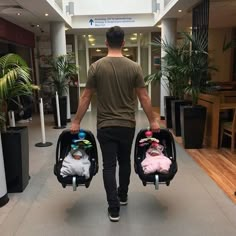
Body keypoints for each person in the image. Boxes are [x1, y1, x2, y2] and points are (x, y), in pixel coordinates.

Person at [70, 26, 160, 222]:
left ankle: (113, 208)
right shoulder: (134, 67)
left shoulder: (96, 67)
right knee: (125, 161)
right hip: (127, 124)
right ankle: (123, 195)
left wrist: (76, 121)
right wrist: (153, 120)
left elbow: (86, 96)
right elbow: (143, 96)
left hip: (105, 125)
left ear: (106, 43)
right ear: (123, 43)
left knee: (109, 166)